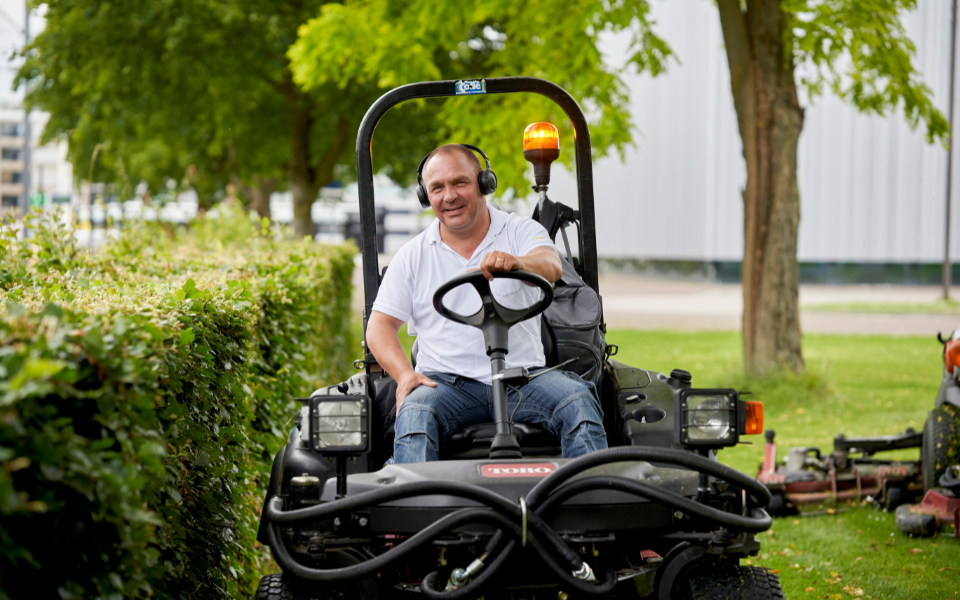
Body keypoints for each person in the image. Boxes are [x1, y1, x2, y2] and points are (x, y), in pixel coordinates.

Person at [366, 144, 608, 463]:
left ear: (484, 183)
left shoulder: (520, 230)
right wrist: (405, 376)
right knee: (415, 410)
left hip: (524, 378)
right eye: (437, 188)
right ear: (426, 196)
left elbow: (550, 265)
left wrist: (517, 263)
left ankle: (590, 499)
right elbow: (379, 326)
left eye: (460, 183)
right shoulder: (413, 254)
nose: (449, 196)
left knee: (577, 400)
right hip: (446, 384)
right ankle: (417, 505)